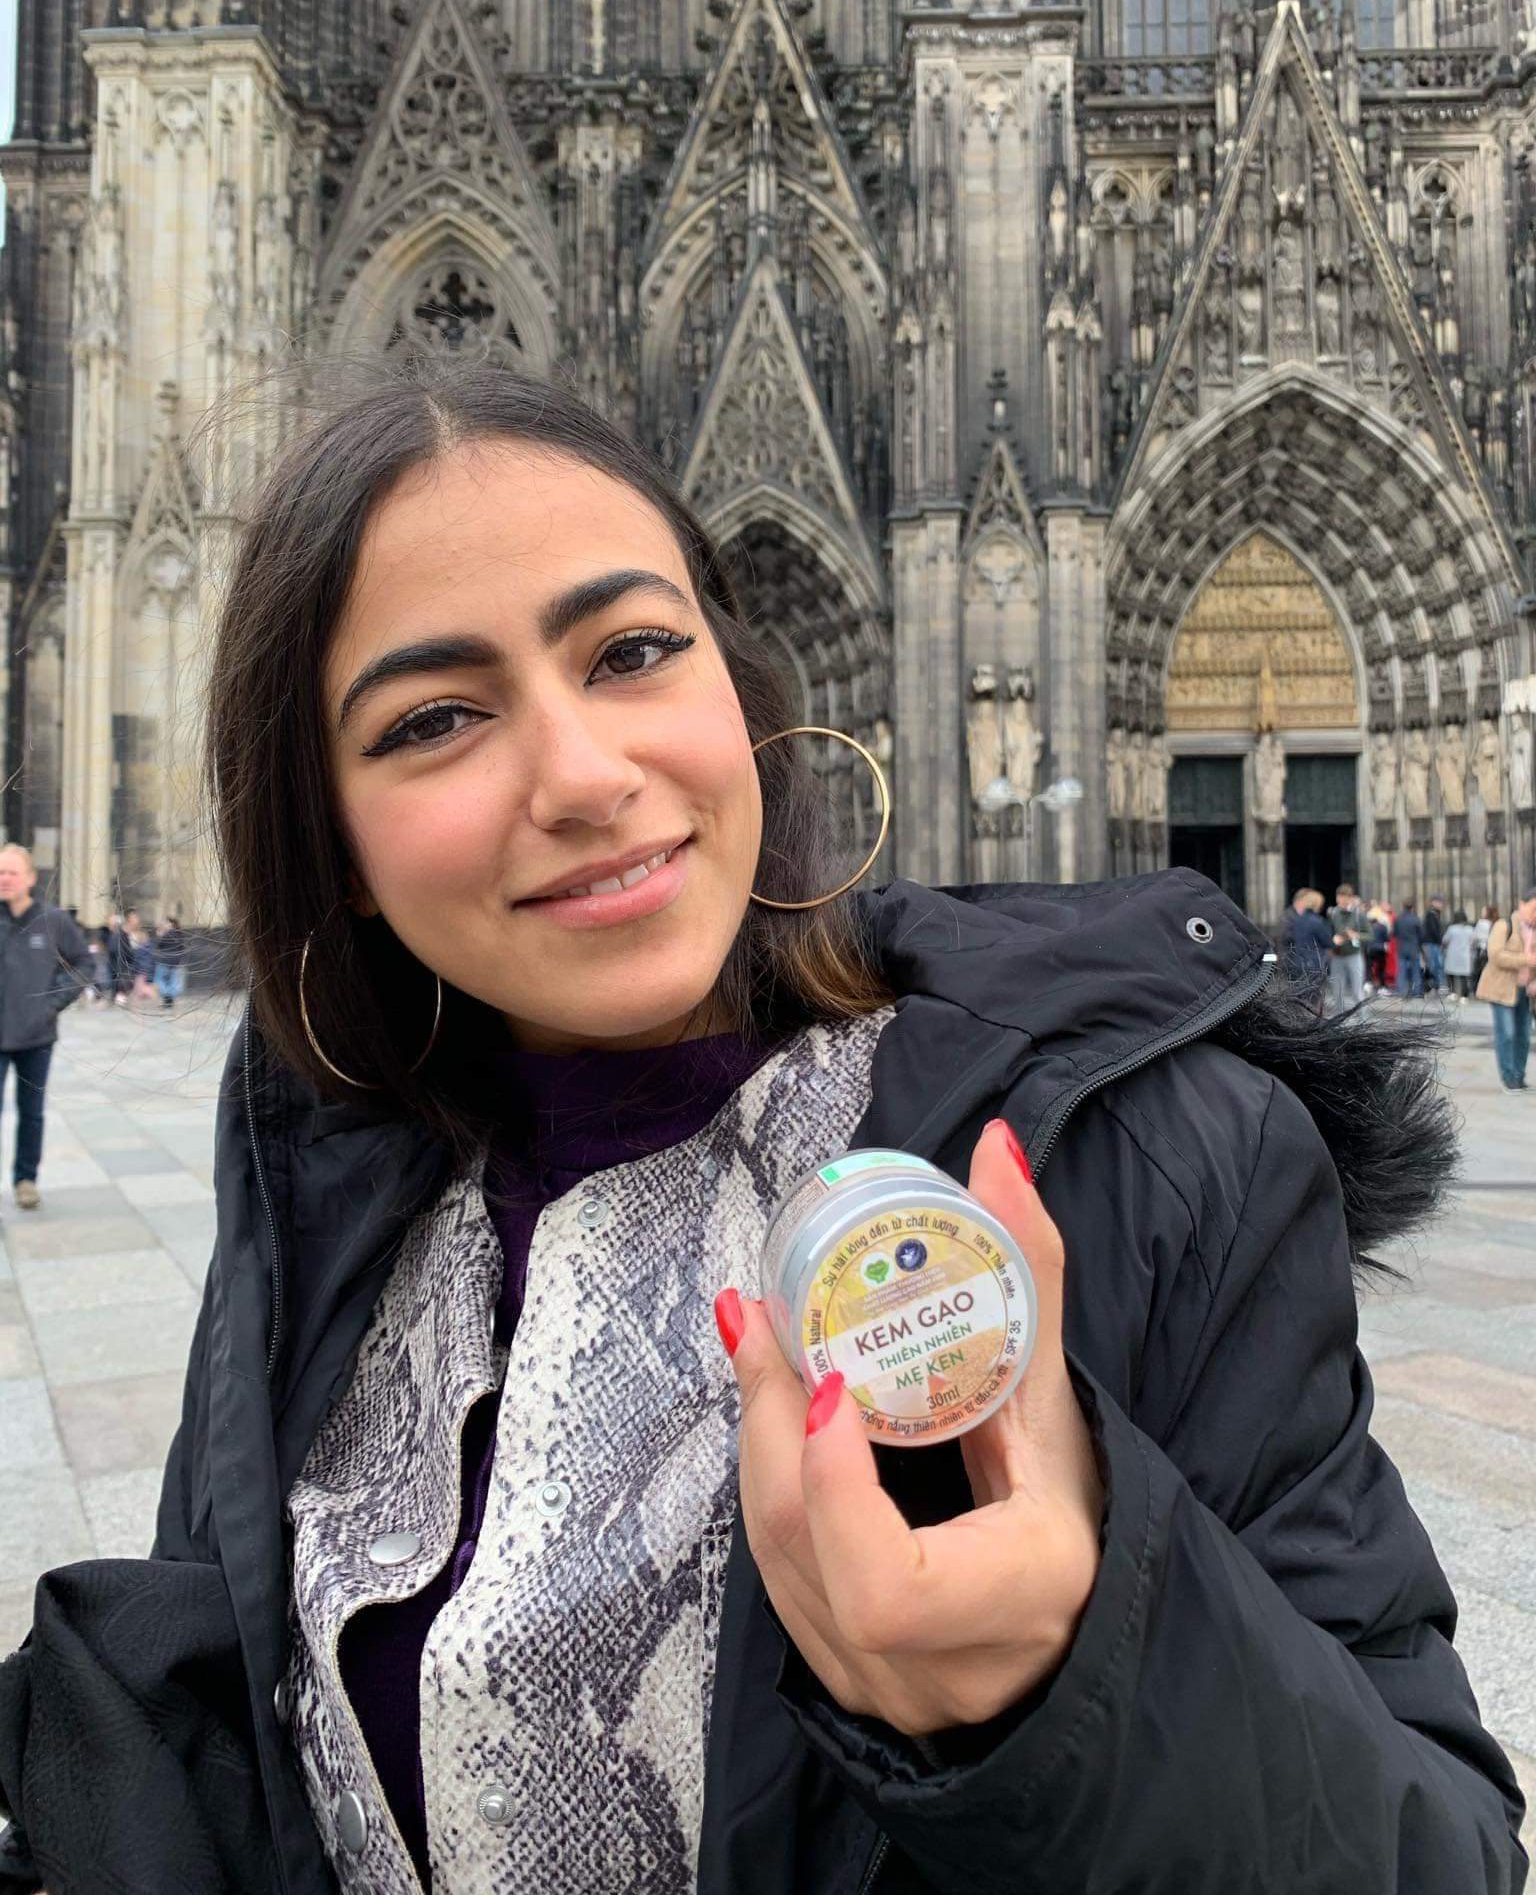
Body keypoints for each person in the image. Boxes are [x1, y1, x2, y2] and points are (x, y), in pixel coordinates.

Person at [0, 364, 1522, 1894]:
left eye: (634, 651)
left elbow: (1443, 1860)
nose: (584, 777)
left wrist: (1087, 1678)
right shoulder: (319, 1183)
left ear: (739, 687)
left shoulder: (1152, 1163)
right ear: (330, 838)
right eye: (437, 718)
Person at [0, 844, 90, 1210]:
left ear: (30, 878)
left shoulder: (54, 921)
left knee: (31, 1113)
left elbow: (84, 964)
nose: (5, 879)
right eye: (0, 872)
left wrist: (52, 1005)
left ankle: (26, 1180)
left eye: (12, 872)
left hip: (36, 1037)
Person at [1475, 887, 1536, 1092]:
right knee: (1507, 1033)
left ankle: (1519, 1076)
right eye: (1534, 908)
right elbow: (1496, 955)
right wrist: (1525, 960)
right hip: (1501, 988)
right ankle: (1508, 1078)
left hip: (1525, 991)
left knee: (1524, 1035)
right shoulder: (1504, 925)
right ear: (1522, 905)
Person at [1327, 881, 1370, 1010]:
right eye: (1339, 898)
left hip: (1354, 956)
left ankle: (1363, 1019)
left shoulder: (1358, 915)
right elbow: (1328, 932)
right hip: (1337, 957)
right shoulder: (1333, 913)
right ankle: (1339, 1020)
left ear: (1351, 899)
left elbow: (1370, 935)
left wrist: (1356, 935)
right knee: (1337, 994)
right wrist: (1332, 940)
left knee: (1357, 992)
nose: (1342, 901)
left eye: (1345, 898)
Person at [153, 917, 187, 1008]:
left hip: (164, 962)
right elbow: (182, 948)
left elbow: (158, 945)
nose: (163, 924)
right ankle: (169, 1000)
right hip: (176, 963)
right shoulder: (180, 934)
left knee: (158, 980)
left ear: (171, 925)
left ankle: (167, 996)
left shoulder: (168, 934)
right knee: (172, 982)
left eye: (166, 923)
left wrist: (159, 935)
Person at [103, 910, 134, 1007]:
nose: (109, 923)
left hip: (118, 962)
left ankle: (117, 998)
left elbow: (119, 950)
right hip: (115, 962)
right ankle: (115, 997)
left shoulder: (118, 934)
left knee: (118, 980)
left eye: (111, 921)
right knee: (114, 980)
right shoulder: (113, 933)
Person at [1394, 898, 1424, 997]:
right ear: (1412, 907)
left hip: (1401, 947)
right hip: (1414, 948)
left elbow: (1394, 933)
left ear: (1403, 906)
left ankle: (1401, 991)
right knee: (1415, 971)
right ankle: (1416, 991)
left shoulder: (1398, 919)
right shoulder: (1416, 919)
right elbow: (1421, 935)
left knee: (1401, 970)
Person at [1443, 910, 1477, 1000]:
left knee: (1451, 974)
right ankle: (1464, 996)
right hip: (1464, 955)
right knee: (1464, 976)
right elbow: (1474, 941)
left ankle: (1453, 993)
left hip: (1452, 955)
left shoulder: (1451, 929)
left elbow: (1445, 940)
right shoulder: (1470, 929)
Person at [1422, 896, 1447, 994]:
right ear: (1434, 903)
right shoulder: (1432, 915)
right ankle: (1437, 985)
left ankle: (1436, 985)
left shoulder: (1435, 914)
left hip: (1432, 943)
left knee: (1435, 965)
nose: (1441, 905)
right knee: (1435, 965)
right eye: (1440, 903)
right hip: (1432, 943)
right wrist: (1440, 940)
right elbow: (1433, 930)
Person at [1366, 901, 1392, 994]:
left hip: (1370, 949)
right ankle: (1382, 987)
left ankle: (1368, 983)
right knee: (1381, 969)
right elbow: (1387, 939)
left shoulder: (1368, 927)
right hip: (1380, 949)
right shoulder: (1383, 927)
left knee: (1369, 967)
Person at [1474, 903, 1498, 991]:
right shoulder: (1496, 923)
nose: (1482, 913)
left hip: (1482, 948)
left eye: (1483, 911)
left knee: (1480, 970)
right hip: (1492, 949)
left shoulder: (1481, 923)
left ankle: (1481, 989)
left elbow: (1475, 936)